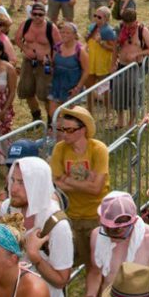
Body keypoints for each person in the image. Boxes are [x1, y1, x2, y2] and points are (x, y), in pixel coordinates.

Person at [86, 192, 149, 297]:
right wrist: (92, 296)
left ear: (133, 221)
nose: (112, 236)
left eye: (118, 231)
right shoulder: (97, 236)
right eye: (107, 229)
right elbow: (95, 272)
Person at [50, 106, 110, 270]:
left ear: (83, 130)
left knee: (98, 267)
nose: (64, 134)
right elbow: (56, 183)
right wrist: (85, 184)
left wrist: (67, 180)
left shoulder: (98, 149)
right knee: (69, 263)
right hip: (71, 217)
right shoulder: (59, 149)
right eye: (62, 129)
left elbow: (96, 188)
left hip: (96, 217)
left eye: (69, 130)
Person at [15, 3, 62, 123]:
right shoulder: (26, 24)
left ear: (44, 15)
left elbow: (58, 46)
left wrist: (51, 59)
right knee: (26, 90)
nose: (37, 17)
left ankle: (51, 121)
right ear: (31, 14)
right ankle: (36, 117)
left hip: (45, 64)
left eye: (40, 15)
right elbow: (17, 38)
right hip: (28, 61)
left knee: (45, 94)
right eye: (34, 14)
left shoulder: (51, 27)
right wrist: (26, 49)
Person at [46, 22, 90, 121]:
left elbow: (86, 71)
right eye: (62, 32)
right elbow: (53, 64)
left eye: (68, 32)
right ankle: (56, 133)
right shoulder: (57, 47)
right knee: (53, 114)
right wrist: (47, 64)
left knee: (71, 118)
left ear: (75, 35)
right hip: (57, 85)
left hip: (72, 88)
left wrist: (78, 88)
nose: (64, 35)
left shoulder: (80, 50)